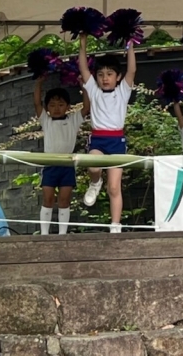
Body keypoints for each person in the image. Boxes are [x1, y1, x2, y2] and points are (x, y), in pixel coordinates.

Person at [78, 35, 136, 233]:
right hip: (98, 139)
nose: (105, 78)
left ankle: (115, 225)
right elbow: (83, 68)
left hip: (117, 141)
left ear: (117, 77)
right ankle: (95, 183)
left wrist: (130, 43)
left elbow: (132, 70)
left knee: (114, 187)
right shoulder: (93, 90)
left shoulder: (123, 91)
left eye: (109, 74)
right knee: (93, 166)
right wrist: (83, 43)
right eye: (101, 74)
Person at [34, 77, 89, 235]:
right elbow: (37, 104)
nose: (56, 108)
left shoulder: (73, 120)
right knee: (48, 199)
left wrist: (83, 86)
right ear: (47, 108)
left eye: (60, 104)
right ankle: (44, 234)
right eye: (52, 105)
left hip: (67, 165)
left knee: (64, 199)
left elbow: (87, 107)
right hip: (50, 165)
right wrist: (39, 83)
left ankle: (62, 234)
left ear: (68, 106)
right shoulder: (46, 120)